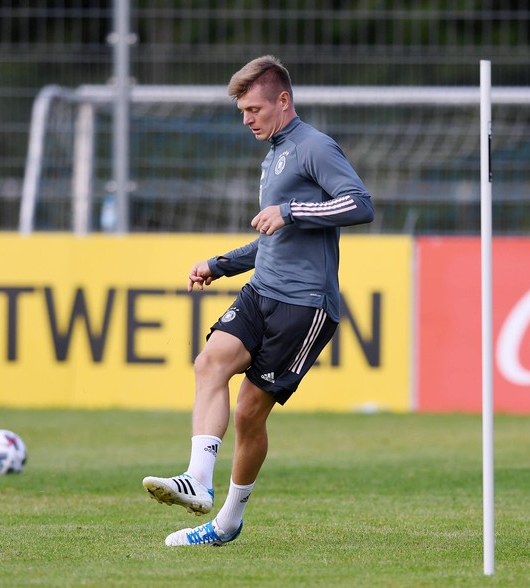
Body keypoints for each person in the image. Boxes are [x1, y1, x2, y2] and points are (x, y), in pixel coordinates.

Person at [142, 55, 374, 547]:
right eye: (242, 111)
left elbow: (359, 203)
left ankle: (227, 522)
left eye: (254, 108)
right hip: (261, 291)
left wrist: (290, 210)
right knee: (210, 362)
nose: (246, 119)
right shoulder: (274, 154)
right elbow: (273, 236)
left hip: (305, 305)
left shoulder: (314, 146)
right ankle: (197, 482)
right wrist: (220, 264)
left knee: (250, 413)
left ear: (283, 101)